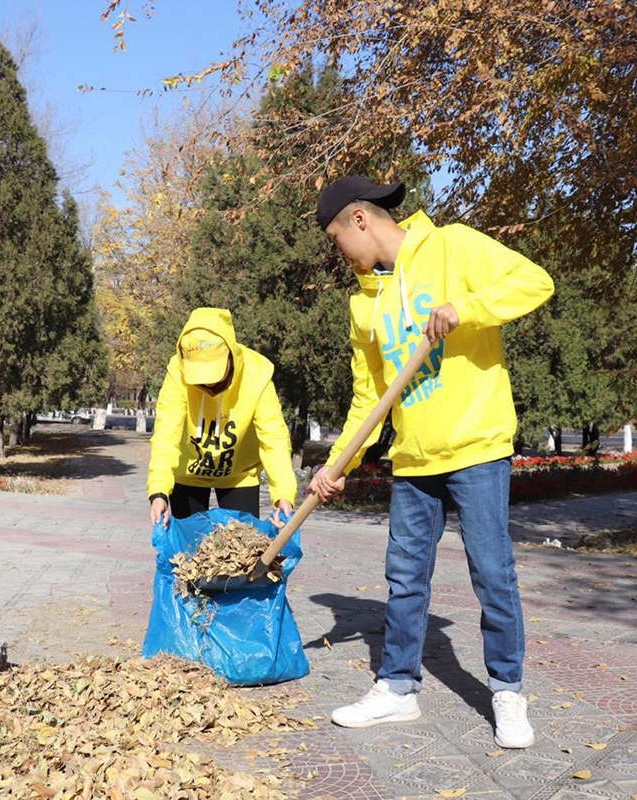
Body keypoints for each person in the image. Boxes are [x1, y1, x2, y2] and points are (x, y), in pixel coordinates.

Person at [309, 176, 554, 748]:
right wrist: (340, 461)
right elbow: (370, 394)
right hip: (413, 456)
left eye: (335, 237)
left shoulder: (452, 246)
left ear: (360, 221)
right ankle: (397, 689)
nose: (337, 252)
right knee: (404, 578)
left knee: (492, 573)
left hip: (476, 445)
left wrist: (463, 309)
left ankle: (508, 691)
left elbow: (534, 282)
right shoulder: (363, 303)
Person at [147, 307, 296, 527]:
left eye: (214, 374)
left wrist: (283, 493)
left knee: (242, 549)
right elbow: (166, 434)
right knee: (189, 552)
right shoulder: (177, 373)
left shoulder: (257, 373)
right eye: (200, 376)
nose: (208, 383)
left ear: (231, 355)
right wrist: (158, 492)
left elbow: (274, 438)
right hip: (188, 472)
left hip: (239, 475)